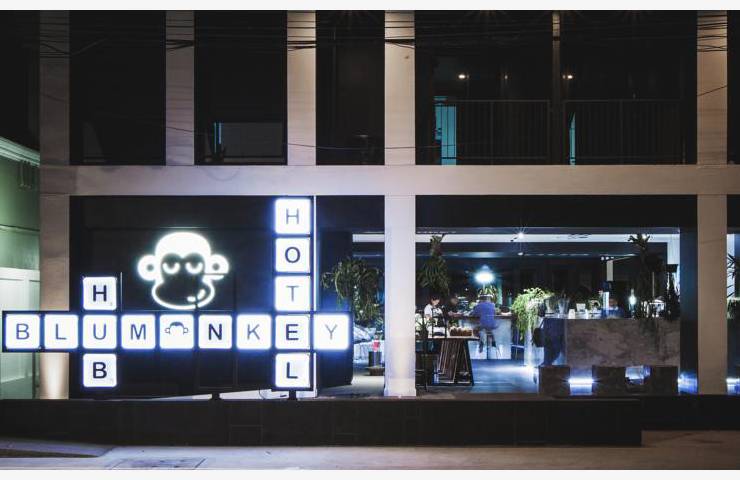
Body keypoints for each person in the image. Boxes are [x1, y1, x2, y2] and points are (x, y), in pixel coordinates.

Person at [469, 294, 498, 359]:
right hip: (492, 324)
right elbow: (495, 313)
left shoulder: (479, 305)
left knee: (475, 329)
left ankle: (481, 341)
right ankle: (493, 342)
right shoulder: (492, 305)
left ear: (481, 300)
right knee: (488, 329)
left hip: (483, 325)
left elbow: (473, 314)